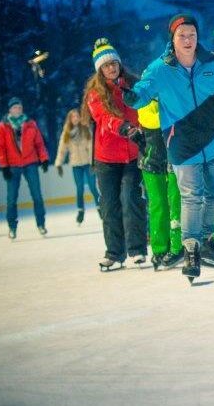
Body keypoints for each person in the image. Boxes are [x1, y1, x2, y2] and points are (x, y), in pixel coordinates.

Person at [124, 14, 214, 283]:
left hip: (212, 140)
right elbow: (143, 91)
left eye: (192, 35)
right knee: (191, 197)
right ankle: (191, 248)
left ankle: (208, 239)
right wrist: (132, 97)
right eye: (182, 36)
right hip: (182, 144)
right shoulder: (160, 68)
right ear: (172, 39)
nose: (188, 40)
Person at [138, 100, 214, 271]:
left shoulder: (186, 87)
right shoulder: (150, 93)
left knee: (211, 197)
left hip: (192, 151)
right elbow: (148, 120)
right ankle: (169, 249)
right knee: (164, 205)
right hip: (159, 158)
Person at [83, 40, 148, 269]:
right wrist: (124, 128)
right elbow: (103, 117)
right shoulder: (95, 93)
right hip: (107, 158)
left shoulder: (133, 84)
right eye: (106, 65)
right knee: (109, 205)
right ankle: (114, 253)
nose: (111, 68)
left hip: (132, 155)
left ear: (119, 63)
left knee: (131, 200)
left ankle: (137, 249)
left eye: (114, 63)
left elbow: (147, 109)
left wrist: (145, 132)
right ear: (99, 70)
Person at [0, 97, 48, 239]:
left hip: (30, 163)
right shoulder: (2, 126)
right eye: (14, 108)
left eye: (19, 107)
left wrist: (44, 159)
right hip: (12, 166)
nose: (17, 110)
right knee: (11, 198)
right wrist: (4, 166)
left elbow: (39, 143)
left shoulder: (30, 124)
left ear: (22, 109)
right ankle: (12, 227)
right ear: (10, 110)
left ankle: (41, 224)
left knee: (37, 195)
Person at [54, 108, 100, 223]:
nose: (75, 118)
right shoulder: (67, 133)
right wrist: (59, 163)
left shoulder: (85, 129)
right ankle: (80, 211)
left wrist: (94, 161)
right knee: (79, 188)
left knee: (93, 187)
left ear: (80, 118)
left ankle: (100, 208)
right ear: (70, 119)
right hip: (76, 164)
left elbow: (91, 146)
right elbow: (62, 149)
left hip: (88, 163)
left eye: (77, 116)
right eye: (73, 117)